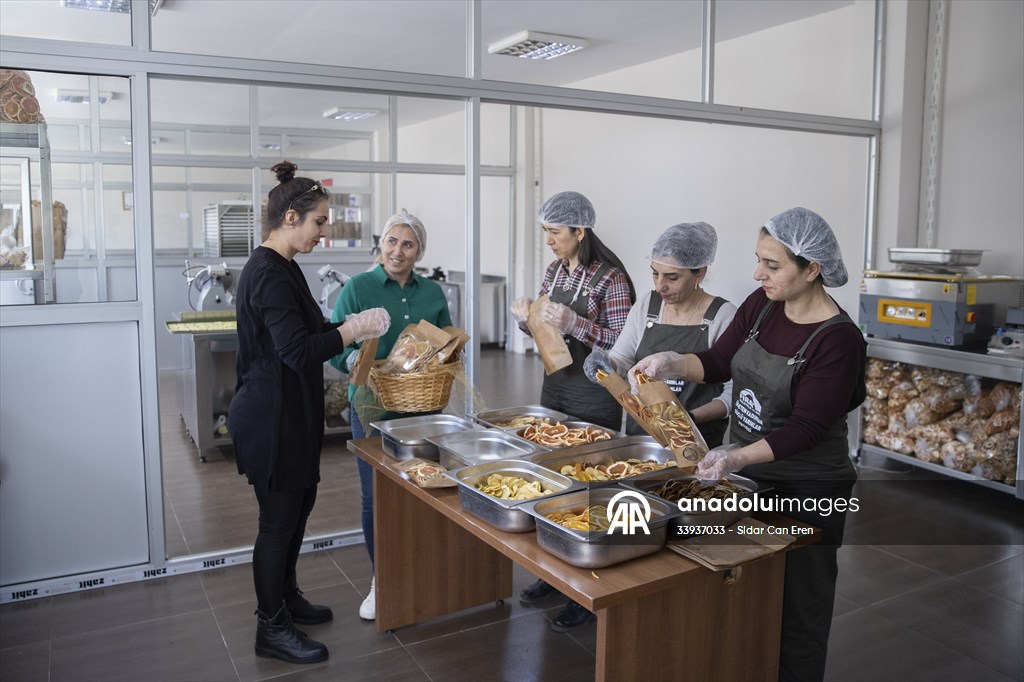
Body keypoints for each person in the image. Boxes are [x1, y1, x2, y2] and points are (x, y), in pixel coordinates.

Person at [631, 207, 866, 682]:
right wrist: (672, 363)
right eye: (759, 260)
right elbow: (719, 362)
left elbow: (805, 429)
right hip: (750, 475)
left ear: (812, 269)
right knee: (745, 589)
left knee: (800, 604)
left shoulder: (838, 340)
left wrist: (732, 454)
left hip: (808, 490)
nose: (758, 273)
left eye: (772, 265)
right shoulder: (762, 307)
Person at [229, 161, 390, 665]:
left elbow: (316, 326)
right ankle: (270, 627)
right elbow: (297, 350)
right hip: (269, 419)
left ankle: (287, 597)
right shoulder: (267, 273)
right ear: (293, 216)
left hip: (291, 414)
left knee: (297, 513)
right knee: (277, 522)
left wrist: (348, 326)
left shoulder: (284, 268)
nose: (325, 231)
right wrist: (352, 328)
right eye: (320, 222)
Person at [510, 190, 635, 632]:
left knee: (586, 489)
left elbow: (621, 345)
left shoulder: (611, 279)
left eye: (555, 232)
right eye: (545, 231)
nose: (548, 240)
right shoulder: (555, 270)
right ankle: (554, 575)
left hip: (594, 395)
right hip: (556, 387)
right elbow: (547, 327)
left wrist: (574, 323)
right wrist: (527, 318)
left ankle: (586, 588)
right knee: (551, 483)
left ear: (580, 231)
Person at [328, 208, 452, 622]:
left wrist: (446, 359)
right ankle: (381, 579)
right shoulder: (358, 289)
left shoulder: (433, 294)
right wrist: (350, 363)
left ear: (419, 251)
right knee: (375, 495)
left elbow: (449, 342)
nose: (398, 251)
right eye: (392, 241)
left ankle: (419, 570)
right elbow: (333, 346)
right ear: (381, 244)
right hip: (370, 406)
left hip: (422, 408)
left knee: (424, 490)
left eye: (408, 244)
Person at [584, 222, 736, 448]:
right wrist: (606, 365)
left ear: (700, 273)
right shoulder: (648, 305)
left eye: (672, 277)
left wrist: (688, 419)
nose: (660, 286)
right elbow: (623, 358)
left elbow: (734, 392)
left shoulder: (723, 316)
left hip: (697, 440)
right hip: (644, 436)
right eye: (655, 274)